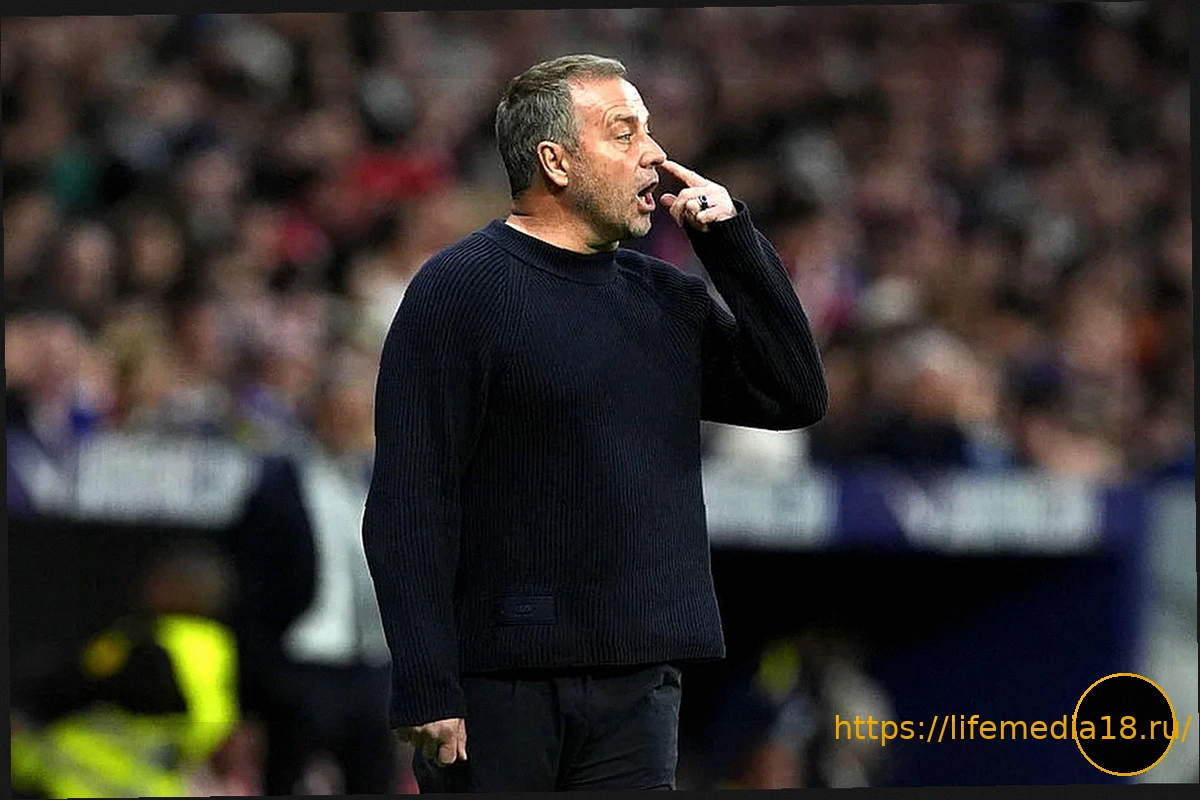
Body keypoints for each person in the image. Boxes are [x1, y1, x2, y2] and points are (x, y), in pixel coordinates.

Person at [362, 53, 828, 793]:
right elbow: (410, 501)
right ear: (556, 161)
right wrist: (426, 682)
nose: (655, 154)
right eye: (624, 132)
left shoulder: (665, 298)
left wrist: (732, 245)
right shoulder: (459, 291)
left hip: (641, 683)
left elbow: (794, 393)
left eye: (649, 130)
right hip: (497, 683)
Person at [227, 366, 397, 795]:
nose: (352, 427)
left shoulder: (379, 484)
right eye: (342, 413)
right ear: (319, 415)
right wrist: (262, 679)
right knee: (287, 779)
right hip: (304, 663)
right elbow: (253, 588)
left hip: (370, 666)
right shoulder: (280, 488)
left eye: (360, 415)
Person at [10, 540, 239, 798]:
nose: (150, 586)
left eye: (161, 580)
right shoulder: (214, 648)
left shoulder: (148, 647)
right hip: (149, 787)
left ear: (179, 588)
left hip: (75, 783)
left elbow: (71, 686)